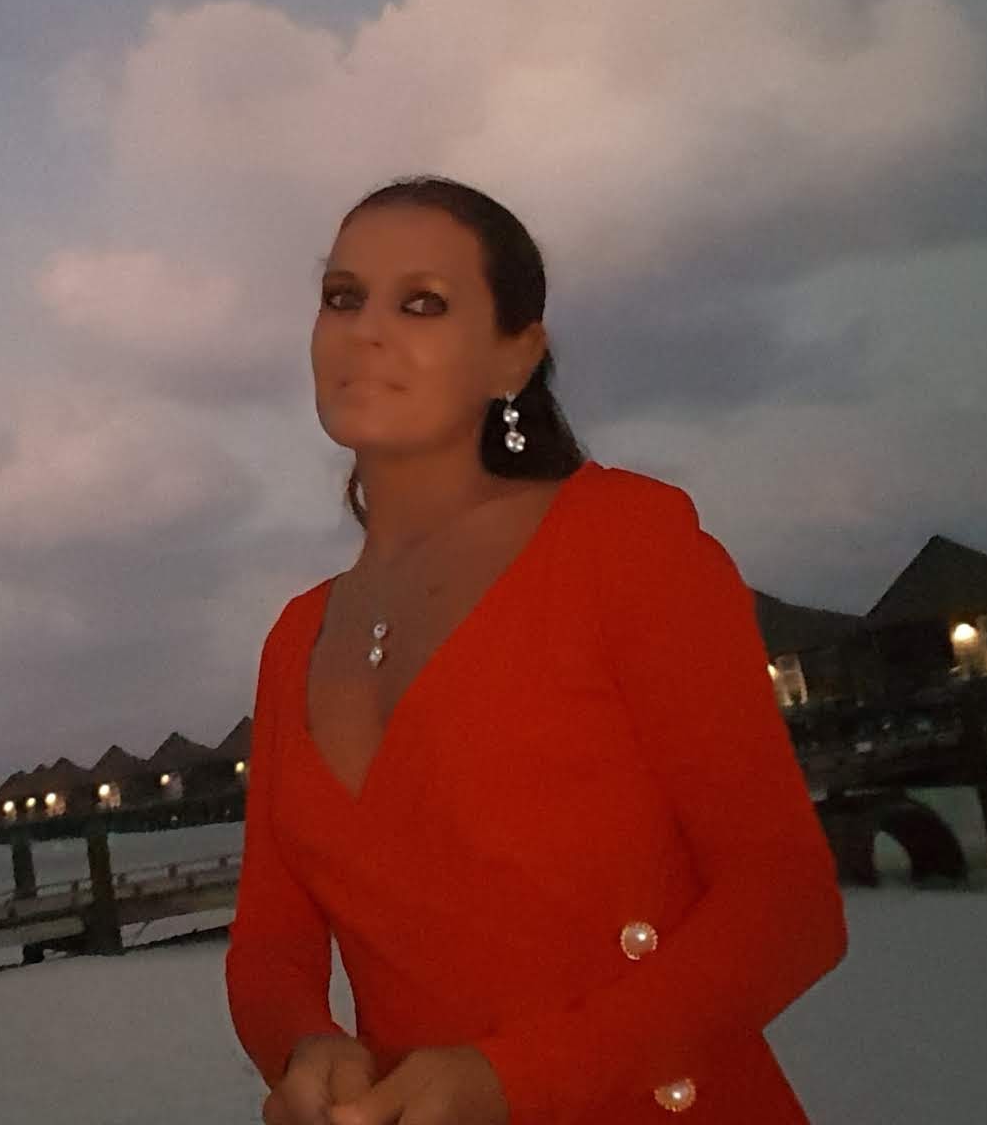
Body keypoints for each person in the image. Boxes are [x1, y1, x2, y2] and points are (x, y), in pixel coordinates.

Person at [225, 176, 847, 1125]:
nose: (364, 331)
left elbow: (789, 904)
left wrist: (515, 1079)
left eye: (421, 303)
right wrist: (306, 1048)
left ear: (514, 355)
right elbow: (272, 945)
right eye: (343, 297)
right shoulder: (294, 641)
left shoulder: (621, 541)